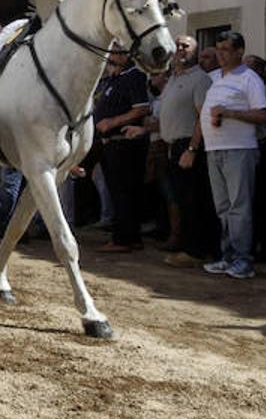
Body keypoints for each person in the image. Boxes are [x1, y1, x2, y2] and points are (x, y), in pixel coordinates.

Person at [199, 31, 266, 279]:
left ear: (239, 51)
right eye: (218, 49)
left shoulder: (249, 79)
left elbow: (262, 114)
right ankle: (227, 255)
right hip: (213, 148)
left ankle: (243, 259)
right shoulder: (212, 77)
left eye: (226, 49)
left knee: (239, 207)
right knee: (223, 207)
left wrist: (229, 114)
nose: (220, 54)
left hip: (239, 148)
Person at [159, 36, 218, 266]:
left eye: (186, 46)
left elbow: (202, 116)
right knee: (181, 200)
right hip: (172, 146)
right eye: (177, 46)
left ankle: (195, 251)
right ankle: (188, 246)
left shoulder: (200, 79)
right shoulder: (173, 78)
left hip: (189, 146)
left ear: (195, 52)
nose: (179, 49)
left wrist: (192, 148)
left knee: (193, 200)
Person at [92, 49, 151, 253]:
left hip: (124, 142)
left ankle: (123, 239)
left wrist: (113, 121)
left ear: (127, 56)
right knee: (118, 191)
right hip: (109, 143)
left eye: (116, 54)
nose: (111, 58)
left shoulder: (135, 76)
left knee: (123, 191)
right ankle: (129, 236)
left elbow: (141, 108)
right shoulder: (113, 79)